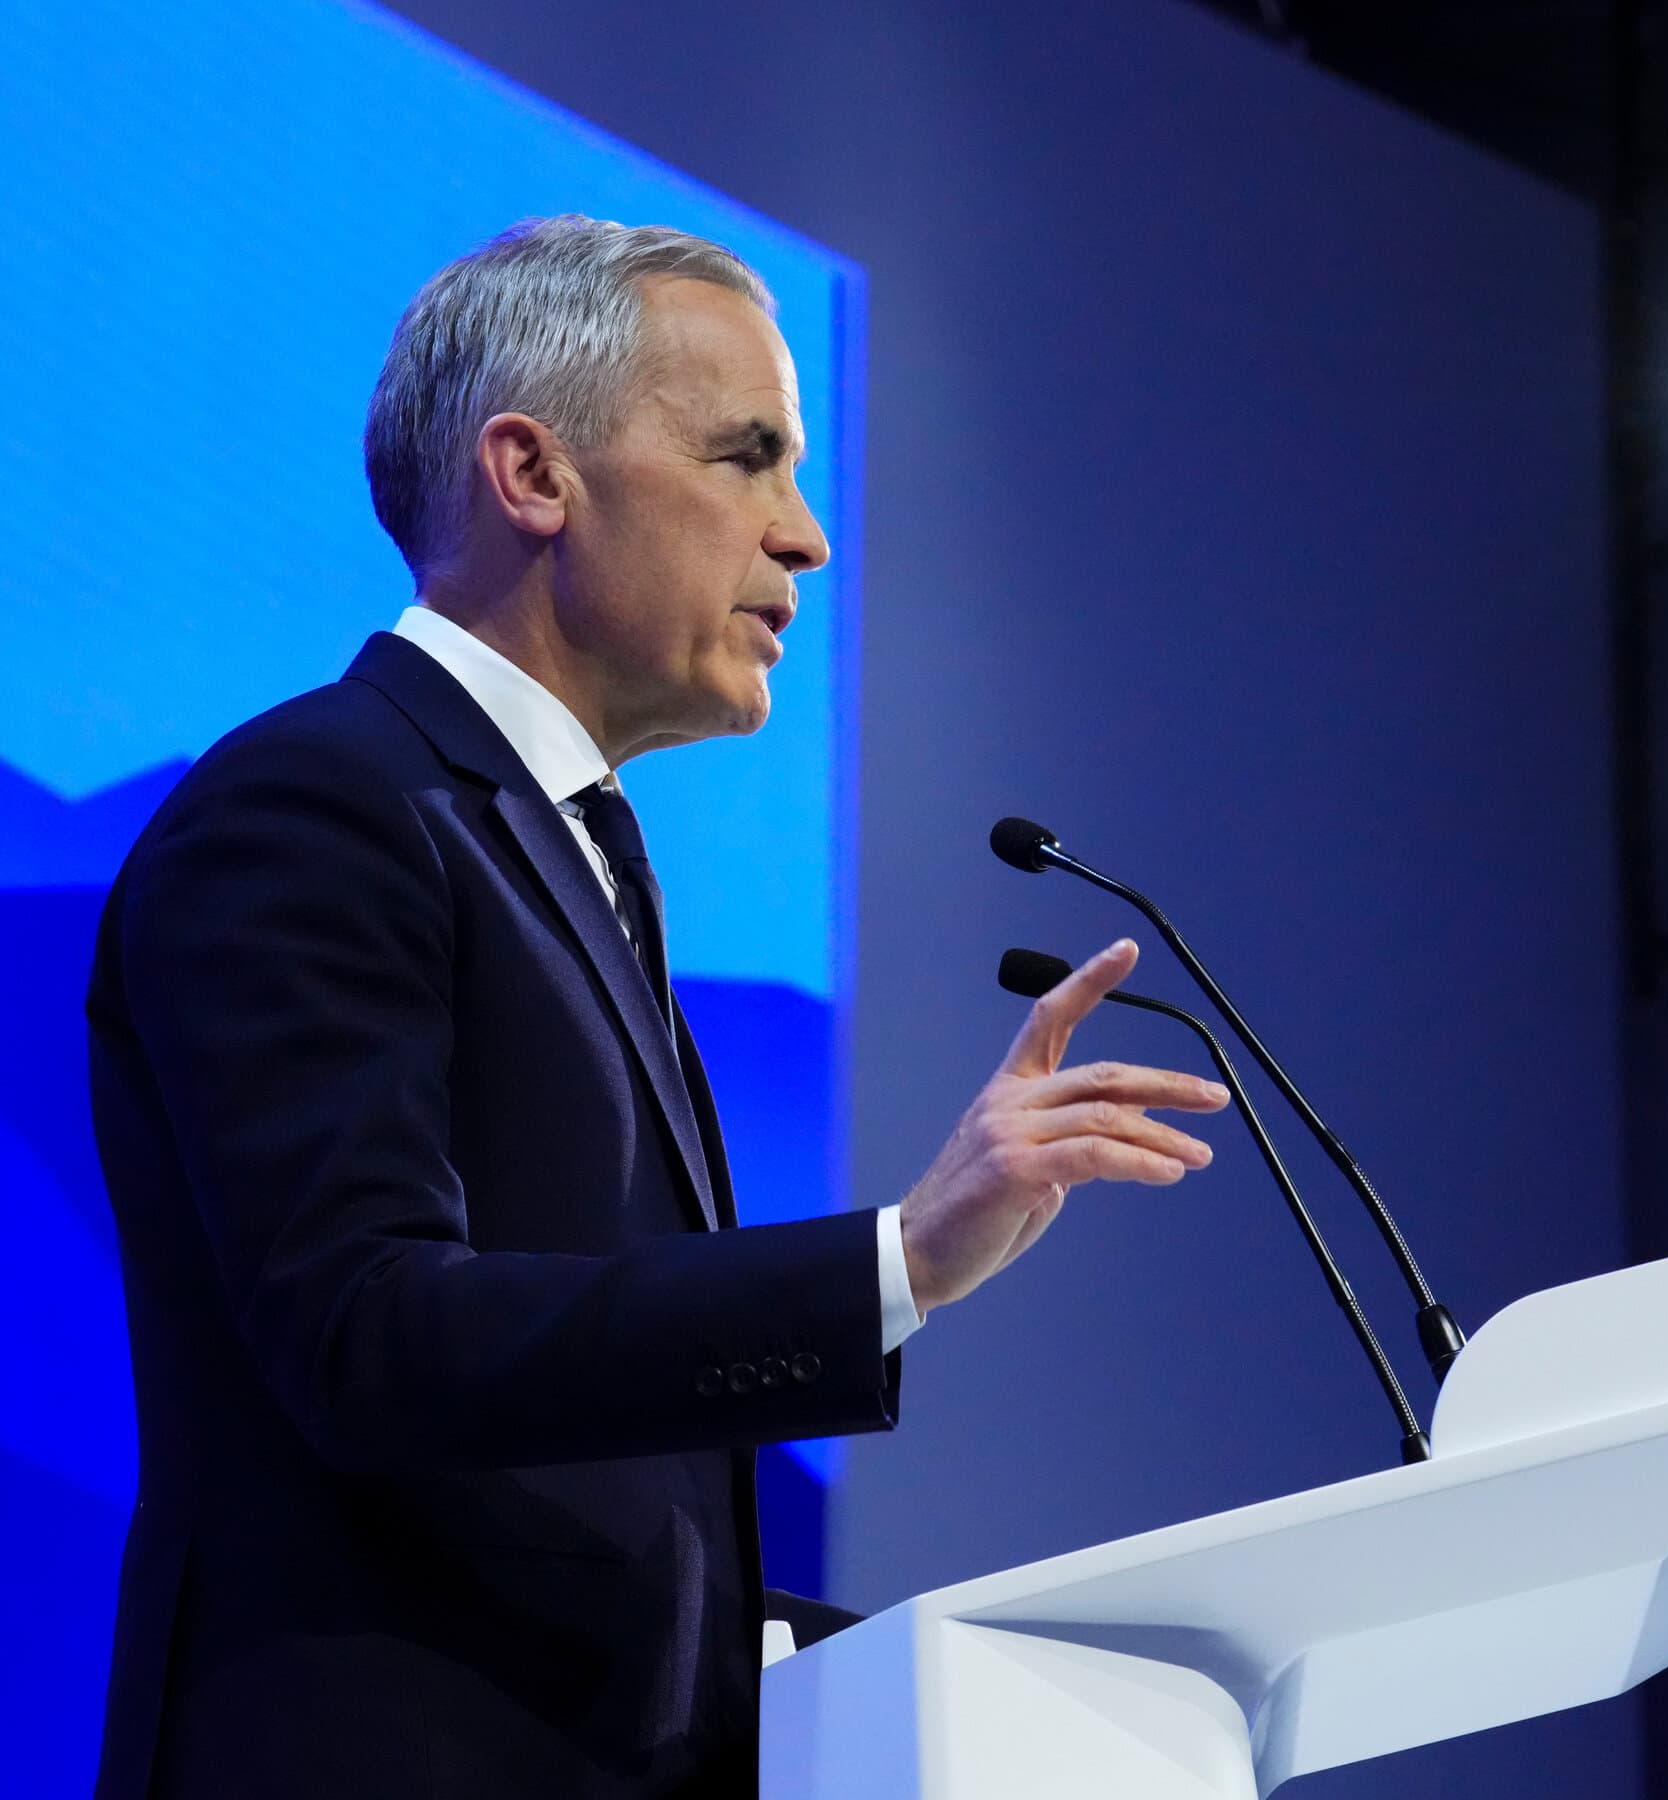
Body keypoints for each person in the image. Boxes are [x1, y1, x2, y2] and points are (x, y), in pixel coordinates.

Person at [85, 215, 1229, 1798]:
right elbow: (369, 1337)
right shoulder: (318, 805)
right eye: (747, 457)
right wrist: (893, 1263)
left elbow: (594, 1495)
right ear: (534, 476)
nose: (806, 536)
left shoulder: (565, 848)